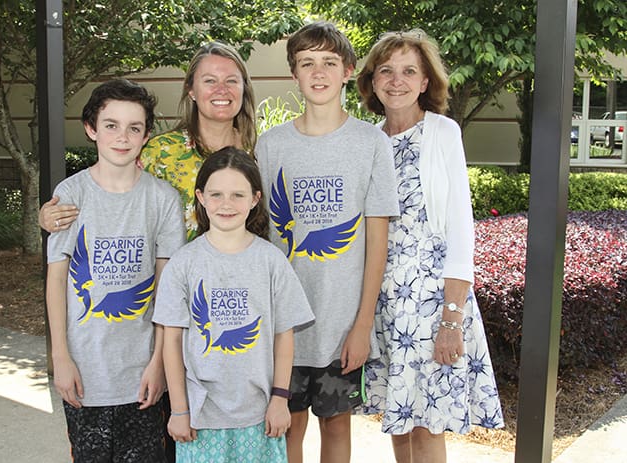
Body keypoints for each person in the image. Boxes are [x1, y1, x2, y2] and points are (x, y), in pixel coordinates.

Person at [355, 29, 504, 462]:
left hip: (432, 303)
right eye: (386, 70)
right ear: (372, 81)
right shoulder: (367, 140)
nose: (396, 80)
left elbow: (461, 228)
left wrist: (451, 320)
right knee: (398, 420)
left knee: (428, 425)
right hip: (382, 301)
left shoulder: (442, 132)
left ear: (425, 82)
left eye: (408, 71)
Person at [255, 22, 400, 463]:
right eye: (307, 63)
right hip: (284, 326)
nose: (318, 73)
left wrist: (362, 325)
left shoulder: (371, 142)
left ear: (347, 72)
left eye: (329, 63)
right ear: (294, 75)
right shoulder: (271, 145)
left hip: (341, 325)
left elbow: (377, 240)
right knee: (286, 430)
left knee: (336, 429)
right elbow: (260, 236)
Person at [45, 79, 186, 462]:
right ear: (91, 129)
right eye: (111, 125)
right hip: (84, 370)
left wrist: (159, 364)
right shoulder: (71, 196)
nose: (122, 137)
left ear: (145, 136)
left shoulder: (163, 200)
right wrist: (60, 356)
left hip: (141, 373)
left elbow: (167, 290)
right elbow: (57, 280)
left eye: (134, 127)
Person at [152, 147, 314, 463]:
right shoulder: (183, 263)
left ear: (255, 199)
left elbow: (284, 335)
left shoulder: (272, 261)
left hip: (260, 414)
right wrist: (179, 409)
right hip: (201, 417)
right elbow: (171, 341)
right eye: (216, 194)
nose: (226, 204)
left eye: (237, 195)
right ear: (200, 197)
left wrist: (280, 399)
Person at [40, 41, 257, 241]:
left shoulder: (260, 153)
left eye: (231, 81)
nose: (222, 89)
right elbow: (109, 199)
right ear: (191, 90)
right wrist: (51, 216)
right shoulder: (159, 152)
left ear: (243, 88)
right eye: (210, 80)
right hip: (168, 278)